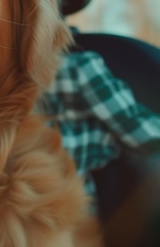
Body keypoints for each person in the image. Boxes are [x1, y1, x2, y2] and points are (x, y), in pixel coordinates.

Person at [39, 50, 160, 201]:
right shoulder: (81, 68)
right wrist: (104, 138)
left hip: (26, 206)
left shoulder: (11, 78)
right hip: (62, 208)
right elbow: (139, 129)